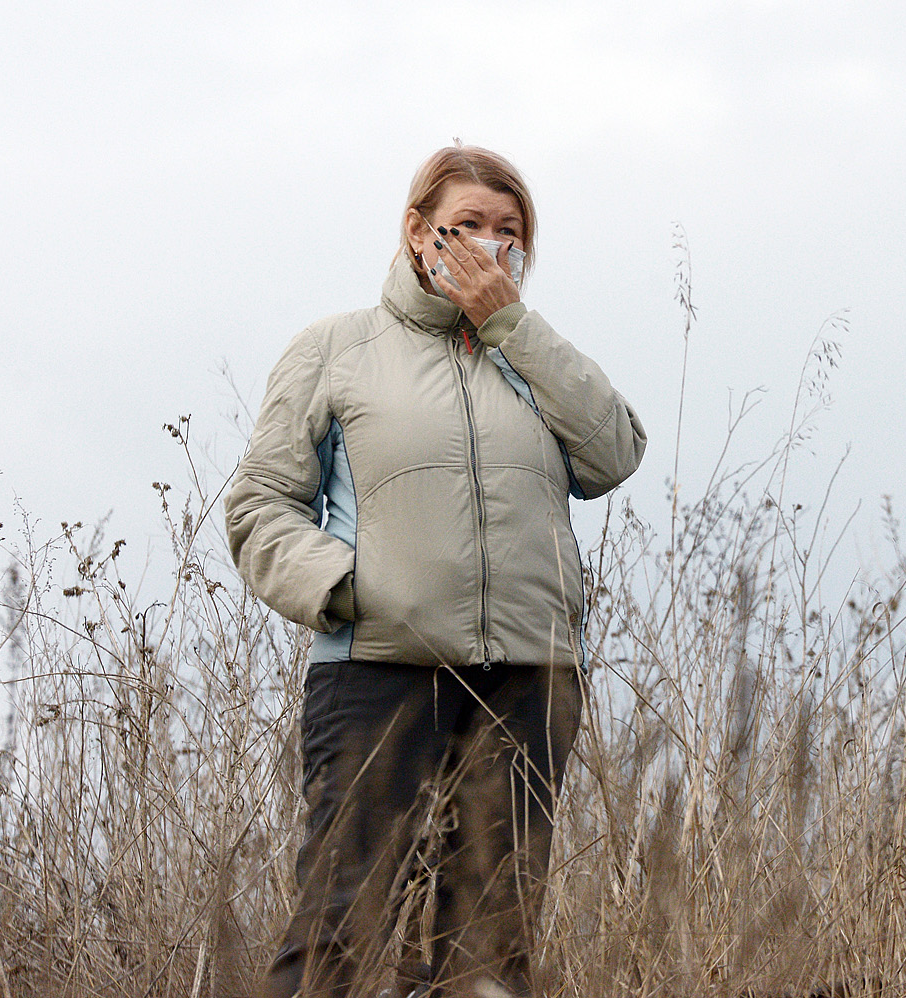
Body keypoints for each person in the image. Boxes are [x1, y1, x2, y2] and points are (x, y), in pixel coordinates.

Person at [225, 144, 646, 998]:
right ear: (419, 233)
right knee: (346, 933)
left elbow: (613, 454)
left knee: (493, 946)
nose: (491, 248)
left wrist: (510, 326)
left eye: (509, 233)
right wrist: (349, 592)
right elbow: (260, 504)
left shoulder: (529, 358)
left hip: (530, 679)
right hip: (380, 673)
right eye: (468, 228)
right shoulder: (336, 348)